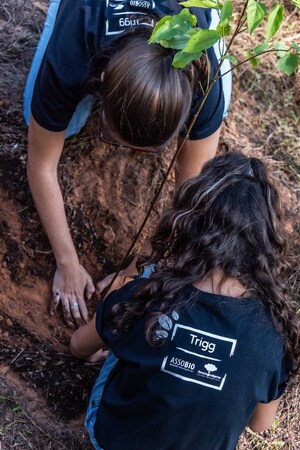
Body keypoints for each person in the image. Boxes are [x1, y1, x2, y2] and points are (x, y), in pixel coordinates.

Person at [70, 152, 300, 450]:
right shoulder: (274, 331)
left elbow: (78, 345)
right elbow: (260, 423)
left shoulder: (148, 294)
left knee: (134, 312)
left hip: (112, 442)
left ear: (191, 221)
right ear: (265, 242)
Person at [24, 0, 232, 327]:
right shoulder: (73, 48)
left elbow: (189, 197)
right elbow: (40, 164)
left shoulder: (203, 75)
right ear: (103, 79)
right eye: (114, 138)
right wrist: (66, 263)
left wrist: (135, 272)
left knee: (214, 119)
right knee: (46, 118)